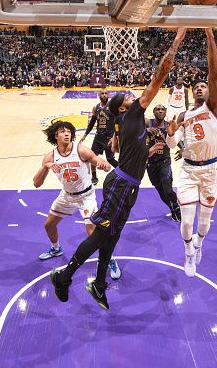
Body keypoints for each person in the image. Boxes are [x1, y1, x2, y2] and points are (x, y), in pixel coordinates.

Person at [50, 27, 188, 310]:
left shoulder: (127, 122)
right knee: (102, 233)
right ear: (123, 108)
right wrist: (177, 39)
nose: (131, 95)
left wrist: (146, 152)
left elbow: (117, 151)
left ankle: (99, 285)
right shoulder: (135, 112)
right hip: (123, 185)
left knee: (112, 234)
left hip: (125, 182)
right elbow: (159, 75)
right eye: (126, 96)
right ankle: (65, 276)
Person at [33, 121, 123, 278]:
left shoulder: (81, 150)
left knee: (93, 232)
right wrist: (45, 167)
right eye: (62, 131)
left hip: (86, 196)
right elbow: (36, 183)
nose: (67, 134)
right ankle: (56, 248)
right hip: (66, 196)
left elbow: (105, 165)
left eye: (69, 131)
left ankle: (110, 259)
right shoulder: (50, 156)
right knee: (49, 225)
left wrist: (103, 165)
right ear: (56, 135)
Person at [166, 28, 217, 277]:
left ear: (210, 91)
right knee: (187, 222)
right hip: (189, 170)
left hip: (211, 170)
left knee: (203, 223)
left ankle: (199, 243)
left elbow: (215, 74)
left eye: (203, 86)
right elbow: (171, 145)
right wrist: (170, 133)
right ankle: (189, 251)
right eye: (196, 86)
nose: (200, 88)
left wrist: (210, 37)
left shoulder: (215, 108)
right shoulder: (183, 115)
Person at [146, 104, 181, 221]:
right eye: (157, 109)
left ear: (165, 112)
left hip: (164, 162)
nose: (160, 111)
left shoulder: (168, 125)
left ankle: (176, 206)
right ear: (154, 112)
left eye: (162, 109)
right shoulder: (147, 123)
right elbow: (135, 131)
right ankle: (172, 208)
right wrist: (146, 130)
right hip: (150, 163)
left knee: (168, 189)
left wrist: (183, 149)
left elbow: (176, 139)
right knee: (161, 191)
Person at [80, 89, 118, 186]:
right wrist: (85, 135)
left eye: (106, 93)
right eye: (102, 93)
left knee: (110, 159)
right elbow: (92, 122)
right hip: (98, 137)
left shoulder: (112, 107)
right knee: (92, 157)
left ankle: (123, 173)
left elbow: (118, 122)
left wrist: (115, 137)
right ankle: (94, 176)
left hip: (109, 138)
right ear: (99, 95)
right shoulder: (95, 108)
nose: (104, 95)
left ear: (108, 95)